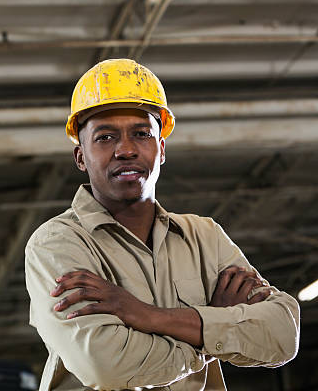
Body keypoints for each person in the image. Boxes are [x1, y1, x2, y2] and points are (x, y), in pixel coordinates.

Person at [24, 59, 300, 391]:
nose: (125, 150)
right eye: (105, 137)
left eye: (141, 134)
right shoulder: (57, 244)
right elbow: (108, 366)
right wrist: (211, 330)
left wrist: (147, 315)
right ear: (81, 156)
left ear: (161, 148)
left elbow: (283, 334)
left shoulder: (204, 237)